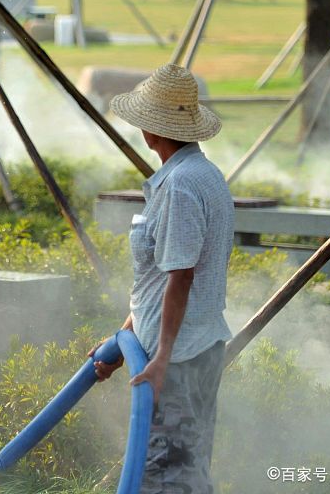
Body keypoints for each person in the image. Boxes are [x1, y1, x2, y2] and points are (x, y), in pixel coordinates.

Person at [93, 64, 234, 494]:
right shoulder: (204, 175)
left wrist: (160, 359)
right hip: (193, 348)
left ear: (151, 132)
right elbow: (156, 282)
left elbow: (180, 278)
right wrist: (122, 340)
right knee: (185, 467)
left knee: (167, 475)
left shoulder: (180, 186)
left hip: (178, 358)